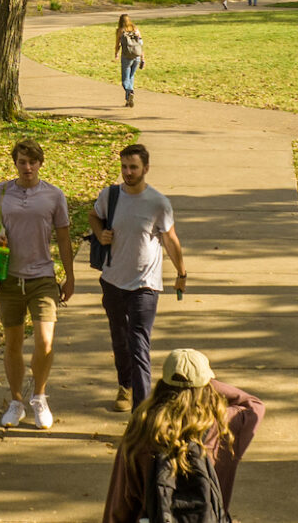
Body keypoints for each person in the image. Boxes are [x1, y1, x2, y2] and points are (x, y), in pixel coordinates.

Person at [102, 349, 266, 523]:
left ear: (163, 384)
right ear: (207, 385)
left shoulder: (142, 428)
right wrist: (207, 383)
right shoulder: (224, 424)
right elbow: (255, 405)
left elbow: (119, 503)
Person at [0, 139, 77, 429]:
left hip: (42, 278)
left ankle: (39, 397)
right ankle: (16, 401)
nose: (27, 167)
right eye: (22, 162)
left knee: (45, 342)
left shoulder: (54, 195)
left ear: (40, 164)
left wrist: (69, 276)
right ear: (15, 163)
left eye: (32, 162)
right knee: (13, 343)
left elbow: (64, 237)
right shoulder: (1, 192)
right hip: (8, 278)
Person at [94, 143, 182, 412]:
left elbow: (170, 239)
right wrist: (100, 233)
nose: (128, 172)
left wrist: (181, 273)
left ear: (146, 168)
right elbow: (94, 216)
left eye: (133, 167)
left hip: (145, 284)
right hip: (112, 280)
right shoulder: (109, 196)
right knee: (119, 340)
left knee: (138, 344)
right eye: (124, 167)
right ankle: (125, 385)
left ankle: (141, 412)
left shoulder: (157, 202)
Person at [116, 15, 146, 108]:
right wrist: (142, 58)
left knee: (125, 80)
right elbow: (140, 44)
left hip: (126, 57)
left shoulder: (120, 30)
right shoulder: (135, 29)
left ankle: (129, 92)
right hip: (137, 56)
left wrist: (116, 53)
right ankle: (128, 100)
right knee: (131, 76)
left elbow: (117, 44)